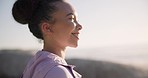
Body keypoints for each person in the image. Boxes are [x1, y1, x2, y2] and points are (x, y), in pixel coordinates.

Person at [12, 0, 82, 78]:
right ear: (47, 28)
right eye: (71, 18)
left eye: (77, 20)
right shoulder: (57, 72)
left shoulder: (35, 66)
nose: (80, 26)